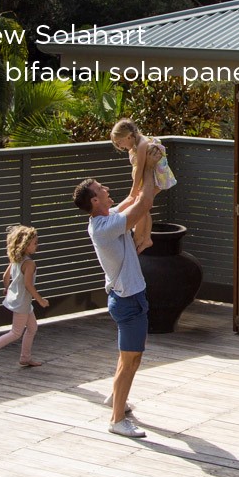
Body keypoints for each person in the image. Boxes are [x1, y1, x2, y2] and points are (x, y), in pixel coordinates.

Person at [72, 159, 160, 439]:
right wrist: (148, 166)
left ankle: (116, 399)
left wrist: (146, 164)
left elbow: (136, 197)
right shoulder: (104, 227)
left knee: (130, 359)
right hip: (128, 302)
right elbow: (143, 203)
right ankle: (117, 419)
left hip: (129, 299)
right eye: (102, 188)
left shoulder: (106, 219)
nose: (107, 189)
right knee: (130, 360)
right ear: (95, 200)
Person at [0, 225, 49, 369]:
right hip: (22, 302)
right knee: (16, 332)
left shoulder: (16, 259)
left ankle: (25, 358)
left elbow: (5, 276)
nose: (37, 245)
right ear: (25, 244)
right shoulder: (29, 263)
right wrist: (40, 300)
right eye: (35, 243)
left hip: (20, 300)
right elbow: (28, 285)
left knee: (32, 327)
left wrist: (6, 288)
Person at [110, 118, 176, 255]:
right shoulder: (137, 144)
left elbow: (140, 169)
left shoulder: (142, 145)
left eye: (120, 142)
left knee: (141, 205)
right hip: (149, 179)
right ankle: (145, 238)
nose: (121, 146)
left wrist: (133, 191)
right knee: (143, 207)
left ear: (128, 136)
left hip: (156, 179)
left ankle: (138, 238)